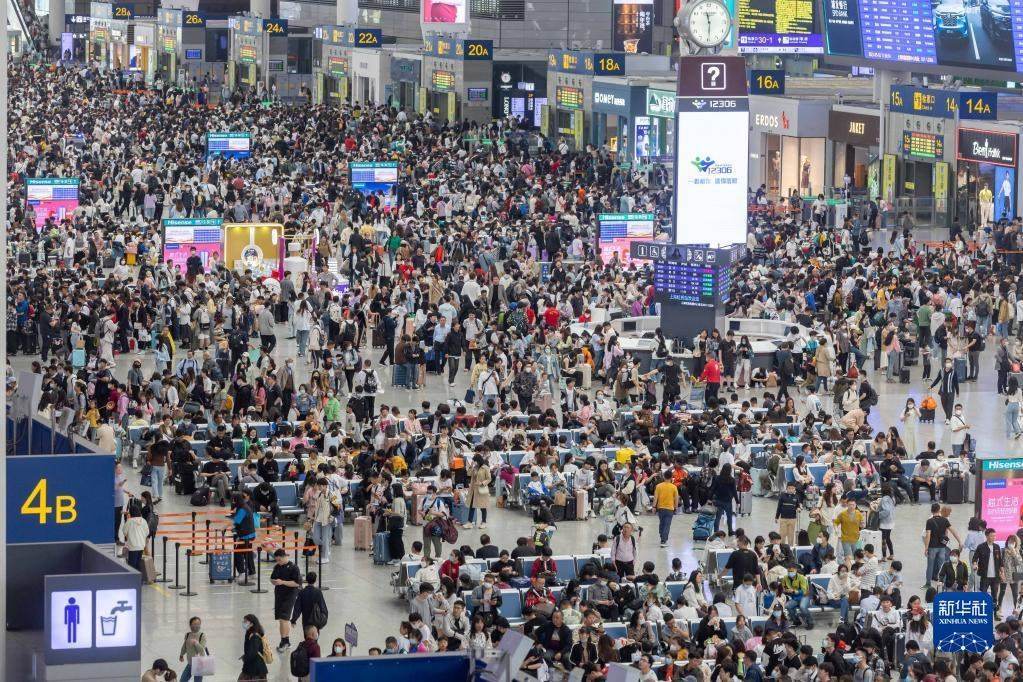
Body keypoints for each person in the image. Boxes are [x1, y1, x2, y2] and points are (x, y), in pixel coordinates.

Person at [270, 549, 303, 652]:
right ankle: (285, 640)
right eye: (276, 560)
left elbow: (297, 583)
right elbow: (272, 578)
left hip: (290, 595)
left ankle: (284, 642)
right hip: (279, 595)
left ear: (284, 557)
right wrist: (274, 581)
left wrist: (282, 582)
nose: (278, 562)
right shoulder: (277, 567)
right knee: (281, 619)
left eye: (279, 560)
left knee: (284, 618)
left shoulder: (294, 568)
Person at [924, 502, 962, 589]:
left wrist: (926, 548)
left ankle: (928, 584)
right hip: (942, 547)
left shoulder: (929, 521)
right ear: (939, 510)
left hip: (932, 547)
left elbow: (928, 535)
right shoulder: (945, 520)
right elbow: (953, 531)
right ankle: (944, 583)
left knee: (930, 565)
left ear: (931, 511)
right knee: (942, 566)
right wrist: (959, 541)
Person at [973, 528, 1004, 615]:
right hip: (985, 576)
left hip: (995, 577)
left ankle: (995, 613)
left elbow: (1000, 561)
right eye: (992, 536)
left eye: (994, 536)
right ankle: (982, 612)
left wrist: (1002, 572)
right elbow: (975, 558)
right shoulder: (981, 547)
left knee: (994, 596)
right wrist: (975, 564)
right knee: (983, 595)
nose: (994, 537)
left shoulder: (997, 547)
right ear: (986, 536)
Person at [239, 614, 269, 681]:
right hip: (252, 668)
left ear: (251, 624)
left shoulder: (254, 636)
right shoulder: (249, 633)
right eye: (243, 621)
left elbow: (253, 652)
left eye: (245, 621)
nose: (243, 623)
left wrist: (246, 657)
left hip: (256, 670)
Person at [652, 472, 678, 547]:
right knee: (667, 525)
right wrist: (676, 507)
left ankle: (662, 536)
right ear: (671, 477)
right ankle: (663, 540)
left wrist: (654, 507)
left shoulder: (658, 486)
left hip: (661, 508)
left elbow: (655, 497)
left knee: (662, 523)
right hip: (670, 509)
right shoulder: (674, 487)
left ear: (663, 477)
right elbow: (676, 499)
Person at [178, 617, 207, 682]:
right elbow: (184, 646)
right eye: (195, 624)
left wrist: (196, 643)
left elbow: (202, 650)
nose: (197, 626)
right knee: (182, 680)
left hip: (198, 664)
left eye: (198, 624)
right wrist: (181, 655)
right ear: (190, 625)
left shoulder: (202, 635)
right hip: (190, 663)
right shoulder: (188, 635)